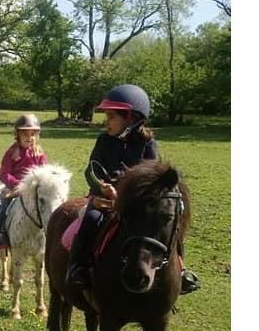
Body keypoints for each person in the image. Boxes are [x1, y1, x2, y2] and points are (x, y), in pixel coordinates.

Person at [65, 84, 199, 295]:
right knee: (90, 218)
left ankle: (180, 270)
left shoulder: (148, 143)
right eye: (106, 117)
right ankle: (78, 266)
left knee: (171, 221)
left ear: (130, 118)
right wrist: (102, 187)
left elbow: (152, 175)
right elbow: (91, 170)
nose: (106, 122)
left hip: (135, 202)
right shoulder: (103, 140)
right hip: (104, 199)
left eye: (111, 117)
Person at [0, 113, 48, 253]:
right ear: (17, 134)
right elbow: (3, 173)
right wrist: (16, 184)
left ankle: (51, 232)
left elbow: (44, 173)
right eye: (25, 134)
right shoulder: (11, 152)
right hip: (14, 188)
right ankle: (0, 235)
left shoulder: (39, 153)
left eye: (33, 134)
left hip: (34, 189)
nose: (29, 138)